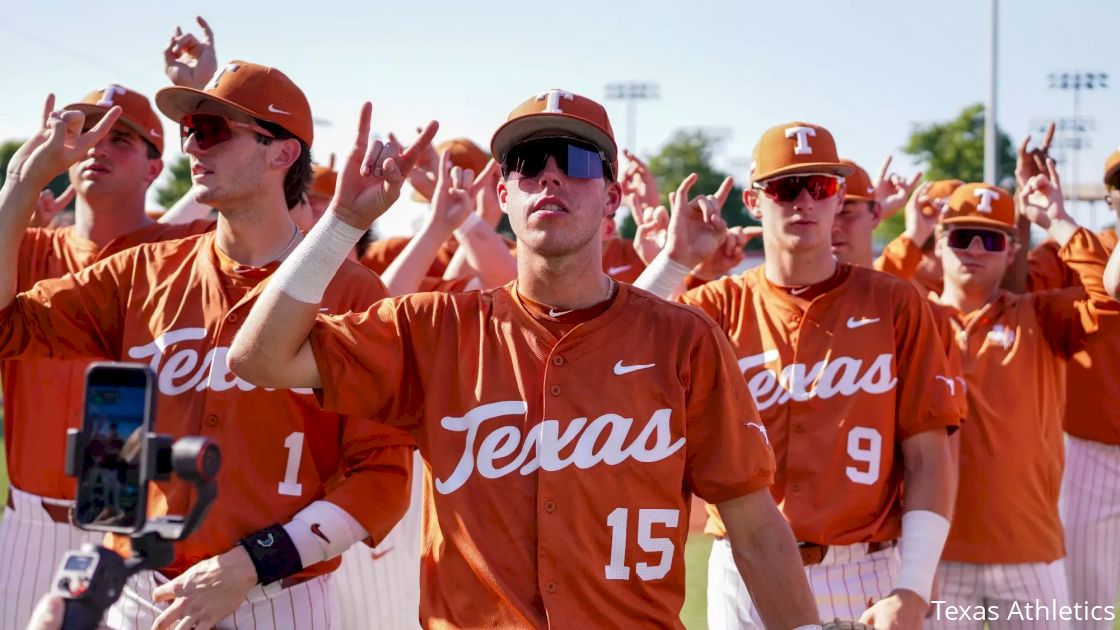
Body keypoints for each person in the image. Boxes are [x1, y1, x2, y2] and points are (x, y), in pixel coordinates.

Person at [228, 89, 820, 629]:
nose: (552, 177)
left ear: (612, 196)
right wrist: (341, 225)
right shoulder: (435, 326)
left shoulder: (685, 338)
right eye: (529, 163)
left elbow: (753, 522)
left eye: (578, 161)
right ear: (503, 194)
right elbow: (258, 359)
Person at [0, 59, 423, 629]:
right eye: (190, 131)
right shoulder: (141, 272)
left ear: (283, 152)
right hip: (142, 591)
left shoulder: (351, 290)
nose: (195, 147)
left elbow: (383, 473)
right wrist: (21, 184)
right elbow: (6, 327)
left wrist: (254, 563)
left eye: (215, 130)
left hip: (279, 598)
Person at [634, 121, 959, 628]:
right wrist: (675, 260)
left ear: (838, 198)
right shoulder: (718, 305)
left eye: (822, 186)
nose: (805, 201)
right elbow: (611, 349)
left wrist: (914, 584)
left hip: (867, 568)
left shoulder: (895, 302)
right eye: (786, 187)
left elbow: (929, 455)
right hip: (746, 568)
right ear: (754, 200)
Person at [0, 84, 214, 630]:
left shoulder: (189, 247)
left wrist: (205, 92)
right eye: (82, 133)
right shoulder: (26, 247)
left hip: (144, 527)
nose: (96, 146)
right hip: (32, 520)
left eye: (121, 137)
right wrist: (22, 182)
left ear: (153, 167)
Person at [925, 171, 1118, 629]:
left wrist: (1058, 219)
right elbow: (863, 294)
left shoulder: (1042, 315)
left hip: (1031, 553)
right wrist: (907, 235)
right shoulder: (913, 316)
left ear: (1012, 250)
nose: (975, 249)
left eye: (991, 240)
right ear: (938, 242)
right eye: (963, 236)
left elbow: (1108, 299)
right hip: (937, 554)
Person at [1024, 147, 1120, 629]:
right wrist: (1030, 219)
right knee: (1089, 610)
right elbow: (1013, 286)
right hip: (1094, 456)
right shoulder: (1080, 249)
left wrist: (1060, 222)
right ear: (1109, 198)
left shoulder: (1075, 241)